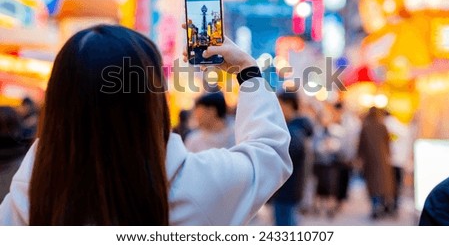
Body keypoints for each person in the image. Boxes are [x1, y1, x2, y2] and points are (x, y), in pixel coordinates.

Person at [0, 24, 292, 225]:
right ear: (153, 103)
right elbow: (269, 153)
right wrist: (247, 71)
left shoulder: (29, 194)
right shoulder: (197, 185)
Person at [271, 90, 314, 226]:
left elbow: (281, 159)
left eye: (279, 105)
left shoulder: (292, 131)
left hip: (286, 189)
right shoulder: (299, 128)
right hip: (291, 189)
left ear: (289, 105)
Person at [357, 107, 394, 219]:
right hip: (383, 161)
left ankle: (375, 206)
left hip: (370, 162)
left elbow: (361, 146)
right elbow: (388, 143)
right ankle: (381, 206)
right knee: (383, 185)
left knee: (373, 186)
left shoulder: (365, 127)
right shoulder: (382, 126)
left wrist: (359, 158)